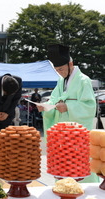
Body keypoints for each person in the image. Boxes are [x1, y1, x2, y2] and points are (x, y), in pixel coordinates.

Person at [37, 44, 97, 183]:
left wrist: (68, 107)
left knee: (79, 162)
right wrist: (45, 107)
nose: (60, 72)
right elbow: (53, 100)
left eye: (61, 69)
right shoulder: (60, 81)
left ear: (71, 64)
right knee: (64, 161)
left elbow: (89, 106)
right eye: (57, 70)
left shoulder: (83, 80)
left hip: (77, 134)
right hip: (62, 133)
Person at [0, 74, 22, 174]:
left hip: (7, 115)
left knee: (7, 139)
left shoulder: (18, 81)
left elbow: (15, 99)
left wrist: (7, 113)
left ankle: (6, 163)